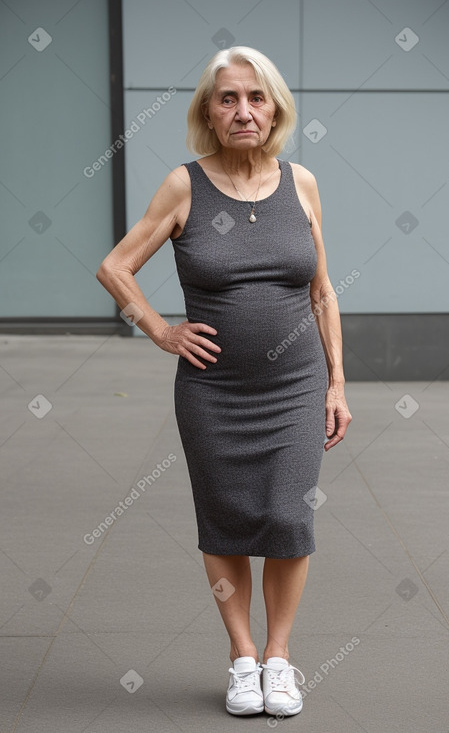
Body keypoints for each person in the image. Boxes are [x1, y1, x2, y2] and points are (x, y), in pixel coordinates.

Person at [97, 45, 352, 718]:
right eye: (228, 98)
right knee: (227, 520)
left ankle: (279, 658)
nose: (243, 110)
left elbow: (322, 292)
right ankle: (242, 657)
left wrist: (336, 383)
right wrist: (160, 330)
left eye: (256, 97)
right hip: (212, 391)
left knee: (288, 516)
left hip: (296, 387)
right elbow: (115, 267)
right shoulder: (185, 185)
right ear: (208, 113)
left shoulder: (302, 183)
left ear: (274, 110)